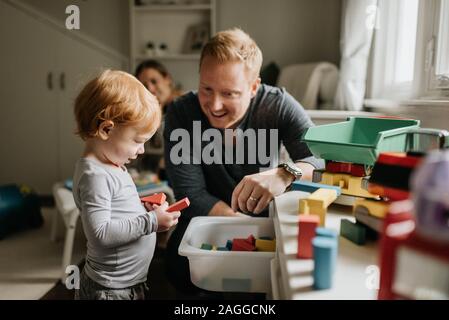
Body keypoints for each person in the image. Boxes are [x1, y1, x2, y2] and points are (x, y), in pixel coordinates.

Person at [163, 28, 324, 296]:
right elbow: (190, 193)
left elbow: (319, 160)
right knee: (182, 275)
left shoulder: (277, 105)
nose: (214, 105)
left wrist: (284, 174)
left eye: (229, 94)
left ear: (253, 87)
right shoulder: (181, 112)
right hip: (203, 226)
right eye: (206, 89)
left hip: (263, 229)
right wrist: (238, 227)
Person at [72, 70, 180, 300]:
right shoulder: (95, 176)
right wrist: (151, 221)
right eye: (137, 141)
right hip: (111, 290)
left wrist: (142, 208)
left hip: (126, 284)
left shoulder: (110, 165)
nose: (141, 150)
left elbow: (116, 211)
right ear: (106, 129)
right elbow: (100, 233)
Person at [134, 60, 182, 179]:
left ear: (167, 79)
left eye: (154, 81)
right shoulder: (145, 112)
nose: (150, 88)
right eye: (144, 85)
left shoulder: (183, 107)